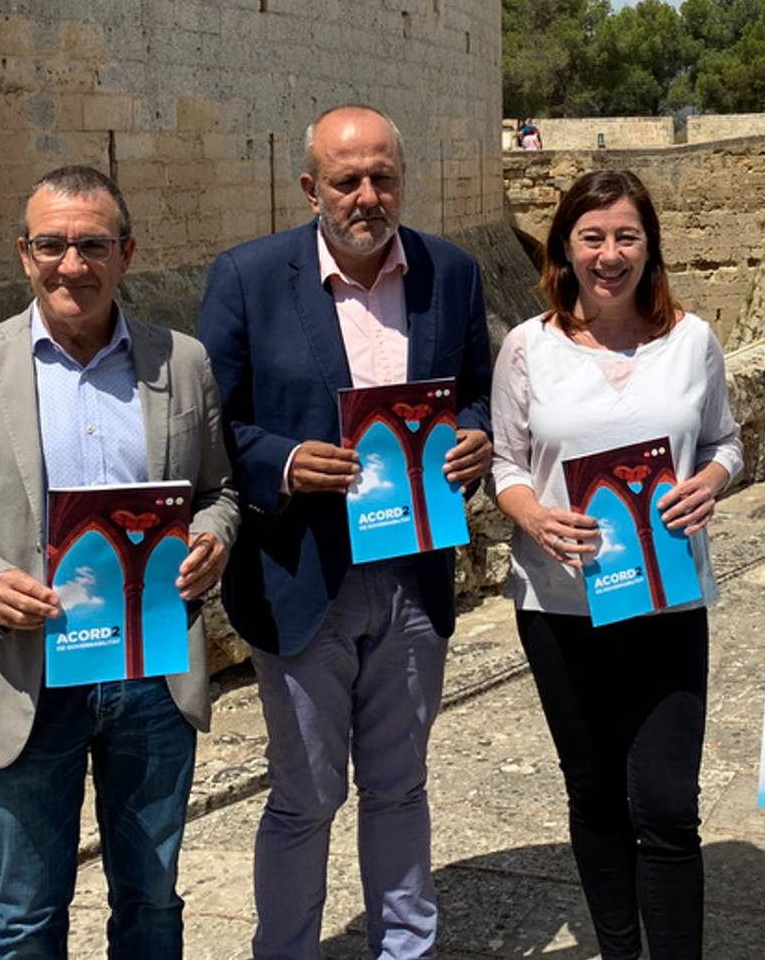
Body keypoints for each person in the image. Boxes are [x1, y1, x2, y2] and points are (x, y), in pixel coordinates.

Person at [0, 165, 239, 959]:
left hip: (150, 677)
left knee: (151, 902)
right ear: (23, 253)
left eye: (91, 244)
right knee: (26, 914)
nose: (71, 265)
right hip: (24, 676)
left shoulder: (181, 362)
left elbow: (218, 492)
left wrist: (215, 538)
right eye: (51, 244)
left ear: (126, 252)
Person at [196, 104, 494, 960]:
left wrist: (472, 435)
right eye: (347, 180)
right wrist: (286, 464)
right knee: (304, 795)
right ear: (309, 187)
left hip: (411, 572)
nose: (368, 196)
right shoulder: (248, 277)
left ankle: (408, 948)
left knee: (400, 787)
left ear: (403, 179)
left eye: (383, 177)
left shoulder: (456, 272)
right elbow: (211, 422)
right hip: (302, 577)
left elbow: (472, 387)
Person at [489, 169, 743, 960]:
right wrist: (532, 513)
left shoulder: (692, 340)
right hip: (561, 607)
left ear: (650, 246)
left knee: (667, 805)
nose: (609, 254)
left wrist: (711, 482)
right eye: (592, 236)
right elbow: (505, 463)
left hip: (667, 603)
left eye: (626, 235)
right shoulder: (528, 347)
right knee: (595, 796)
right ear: (565, 247)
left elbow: (725, 442)